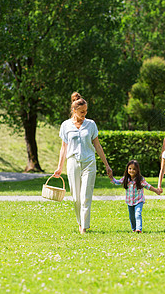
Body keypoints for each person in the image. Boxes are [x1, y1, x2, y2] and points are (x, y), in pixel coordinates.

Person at [54, 92, 113, 234]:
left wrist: (107, 165)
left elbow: (97, 146)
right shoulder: (66, 125)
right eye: (81, 112)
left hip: (89, 162)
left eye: (86, 111)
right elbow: (64, 148)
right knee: (76, 197)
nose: (84, 114)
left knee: (86, 195)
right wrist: (59, 167)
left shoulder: (91, 124)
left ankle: (84, 227)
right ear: (74, 110)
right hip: (73, 162)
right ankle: (80, 222)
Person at [111, 160, 161, 233]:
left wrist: (156, 190)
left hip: (138, 201)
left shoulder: (140, 179)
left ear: (137, 170)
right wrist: (111, 177)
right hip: (130, 202)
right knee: (132, 217)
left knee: (138, 214)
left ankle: (138, 229)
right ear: (127, 169)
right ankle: (134, 229)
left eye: (134, 169)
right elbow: (117, 182)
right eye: (130, 168)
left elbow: (147, 186)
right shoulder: (126, 179)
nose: (132, 171)